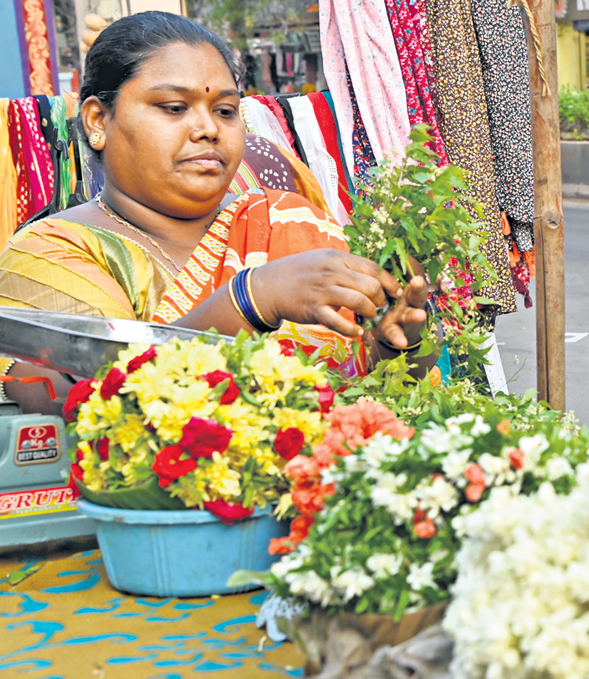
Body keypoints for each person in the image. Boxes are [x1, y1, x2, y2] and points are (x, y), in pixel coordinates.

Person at [0, 12, 435, 416]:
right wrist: (249, 300)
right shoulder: (51, 250)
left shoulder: (291, 219)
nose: (208, 128)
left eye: (226, 111)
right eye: (174, 107)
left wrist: (399, 343)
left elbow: (384, 397)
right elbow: (88, 402)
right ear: (97, 120)